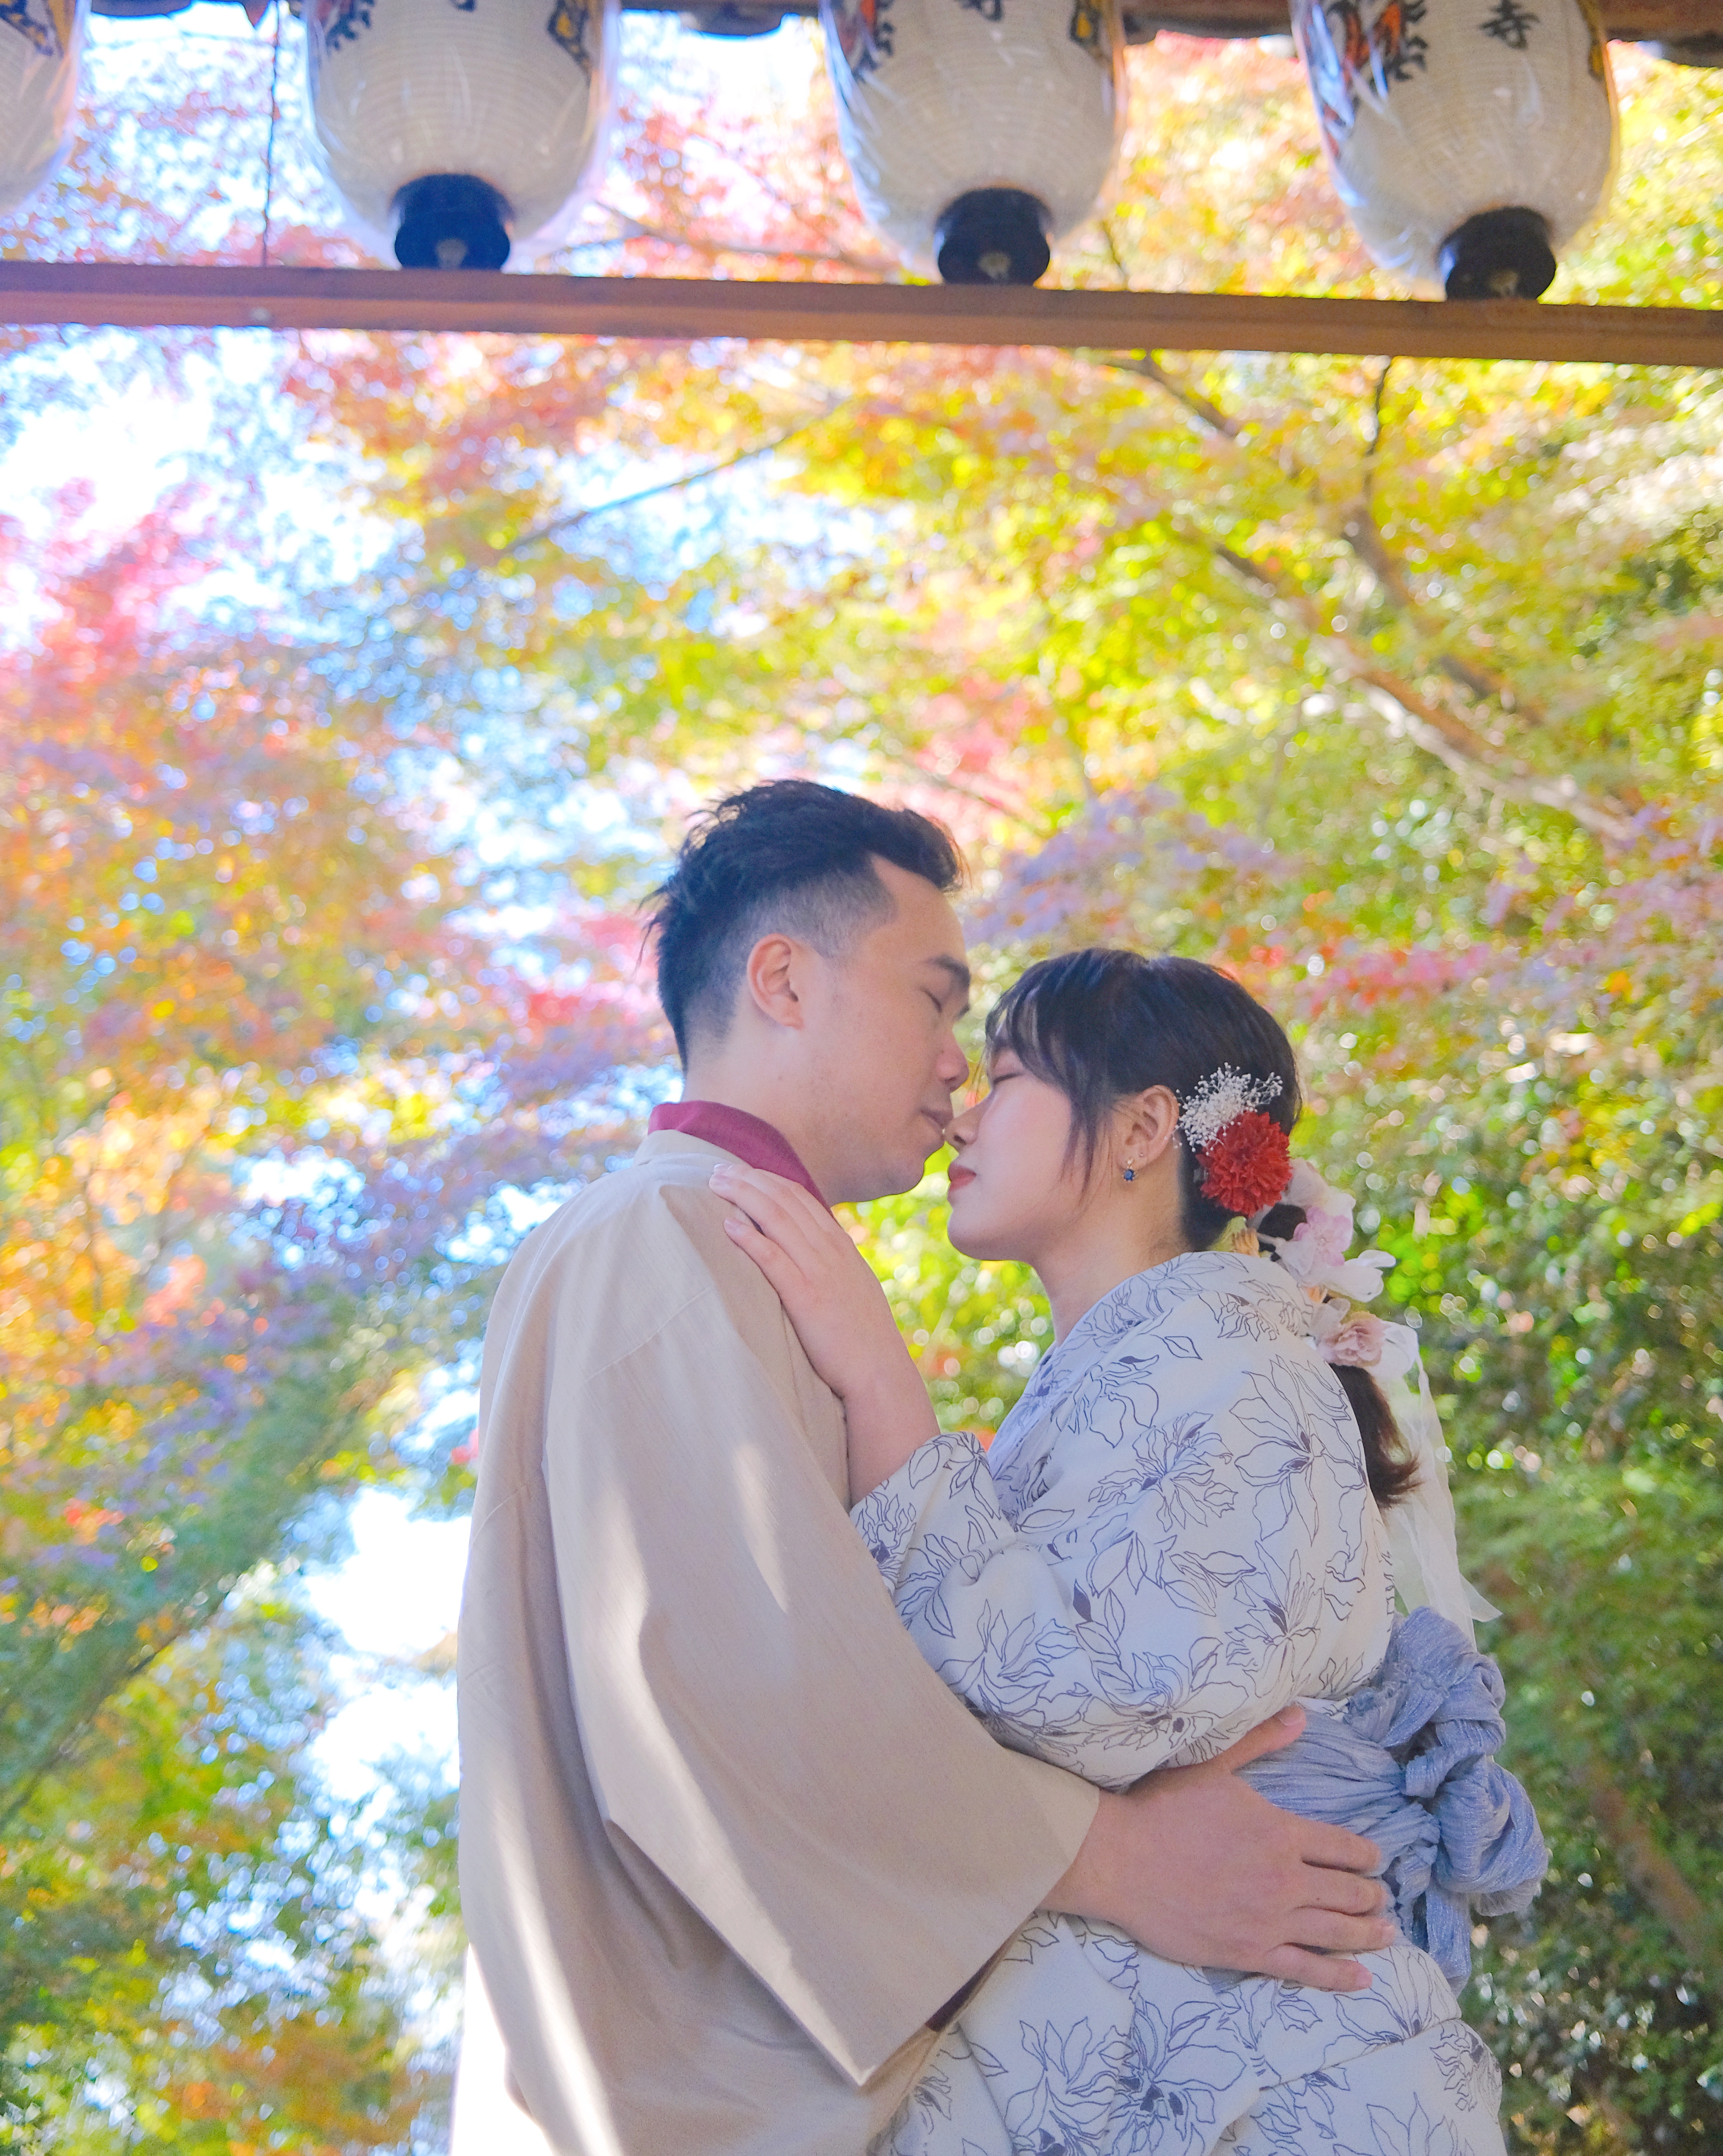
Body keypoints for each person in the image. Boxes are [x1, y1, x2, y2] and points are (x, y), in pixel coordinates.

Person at [457, 783, 1397, 2156]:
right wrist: (1108, 1856)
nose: (958, 1064)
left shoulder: (722, 1251)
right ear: (785, 980)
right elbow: (729, 1682)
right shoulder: (662, 1241)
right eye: (939, 999)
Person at [713, 944, 1545, 2156]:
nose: (962, 1115)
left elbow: (1103, 1698)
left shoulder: (1246, 1363)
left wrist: (882, 1389)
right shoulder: (1168, 1363)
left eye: (1006, 1079)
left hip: (1254, 2064)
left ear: (1146, 1125)